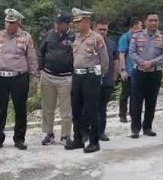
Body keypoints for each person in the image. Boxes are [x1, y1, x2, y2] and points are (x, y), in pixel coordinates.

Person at [0, 9, 39, 151]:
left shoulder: (26, 37)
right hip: (0, 77)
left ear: (18, 23)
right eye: (7, 22)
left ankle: (19, 139)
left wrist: (34, 79)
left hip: (19, 77)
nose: (8, 25)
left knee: (20, 109)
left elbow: (31, 59)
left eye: (12, 22)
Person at [65, 8, 109, 153]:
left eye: (78, 22)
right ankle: (78, 139)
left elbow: (105, 60)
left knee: (92, 110)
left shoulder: (97, 38)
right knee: (76, 109)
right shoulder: (75, 38)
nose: (76, 24)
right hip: (77, 76)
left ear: (86, 21)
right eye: (75, 22)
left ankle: (94, 141)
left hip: (91, 77)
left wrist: (98, 76)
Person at [128, 12, 163, 139]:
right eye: (151, 20)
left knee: (151, 101)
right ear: (145, 22)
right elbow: (131, 52)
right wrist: (142, 62)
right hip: (139, 72)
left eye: (155, 20)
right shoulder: (137, 35)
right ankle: (135, 129)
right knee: (136, 101)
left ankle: (148, 127)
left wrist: (151, 62)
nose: (153, 23)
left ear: (158, 22)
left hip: (154, 73)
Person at [39, 13, 75, 146]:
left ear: (67, 24)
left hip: (66, 77)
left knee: (66, 109)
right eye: (56, 23)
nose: (57, 25)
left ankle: (65, 135)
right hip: (48, 76)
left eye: (60, 23)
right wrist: (41, 68)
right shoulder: (49, 35)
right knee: (48, 108)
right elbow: (41, 52)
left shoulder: (73, 36)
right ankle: (49, 134)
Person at [95, 19, 119, 141]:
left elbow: (115, 61)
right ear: (95, 29)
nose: (102, 32)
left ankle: (101, 132)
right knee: (89, 107)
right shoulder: (89, 42)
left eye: (105, 29)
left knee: (102, 108)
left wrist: (114, 78)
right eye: (100, 29)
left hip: (107, 80)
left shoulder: (111, 44)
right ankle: (87, 132)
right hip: (91, 81)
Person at [118, 17, 143, 123]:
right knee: (125, 94)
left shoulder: (140, 38)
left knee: (136, 95)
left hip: (138, 71)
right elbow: (122, 54)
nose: (142, 28)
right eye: (140, 25)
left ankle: (134, 115)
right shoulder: (125, 37)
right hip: (128, 70)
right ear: (134, 26)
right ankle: (122, 114)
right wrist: (123, 70)